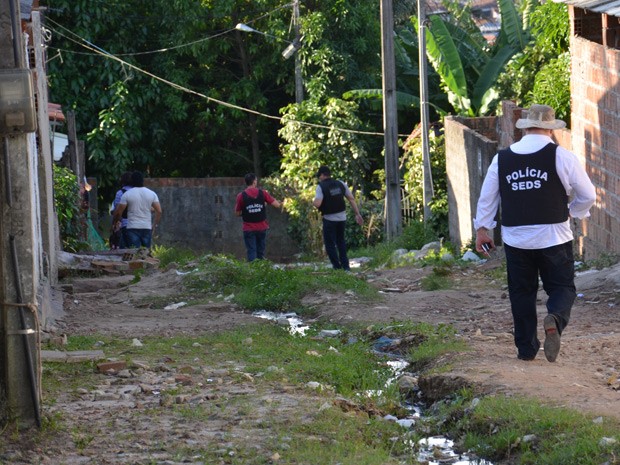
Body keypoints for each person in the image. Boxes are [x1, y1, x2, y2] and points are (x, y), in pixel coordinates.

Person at [474, 104, 596, 363]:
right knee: (562, 287)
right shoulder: (562, 156)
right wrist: (574, 211)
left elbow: (488, 197)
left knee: (522, 293)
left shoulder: (502, 158)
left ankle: (526, 349)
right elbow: (588, 195)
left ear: (525, 127)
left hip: (516, 238)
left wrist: (483, 230)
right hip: (554, 236)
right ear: (550, 129)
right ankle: (555, 318)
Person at [312, 165, 364, 271]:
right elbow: (351, 199)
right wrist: (357, 214)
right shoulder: (340, 183)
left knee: (330, 244)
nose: (319, 178)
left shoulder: (321, 186)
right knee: (341, 242)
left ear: (322, 175)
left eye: (319, 176)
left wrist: (312, 201)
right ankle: (346, 267)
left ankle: (337, 267)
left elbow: (317, 204)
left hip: (329, 219)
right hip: (342, 218)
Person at [235, 173, 282, 261]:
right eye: (256, 180)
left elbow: (237, 213)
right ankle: (261, 271)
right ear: (254, 182)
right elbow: (276, 205)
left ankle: (253, 272)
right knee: (260, 252)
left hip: (248, 228)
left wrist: (247, 211)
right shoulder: (263, 193)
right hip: (261, 228)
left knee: (251, 251)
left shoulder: (241, 196)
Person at [113, 171, 162, 249]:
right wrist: (154, 225)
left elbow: (119, 212)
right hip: (146, 227)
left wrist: (116, 223)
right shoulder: (151, 193)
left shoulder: (127, 194)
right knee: (145, 252)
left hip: (132, 227)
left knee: (134, 252)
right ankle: (145, 261)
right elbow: (159, 211)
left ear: (132, 181)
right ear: (143, 181)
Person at [110, 171, 133, 249]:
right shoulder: (140, 192)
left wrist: (114, 223)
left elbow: (117, 211)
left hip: (125, 224)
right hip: (140, 224)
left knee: (124, 249)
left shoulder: (120, 193)